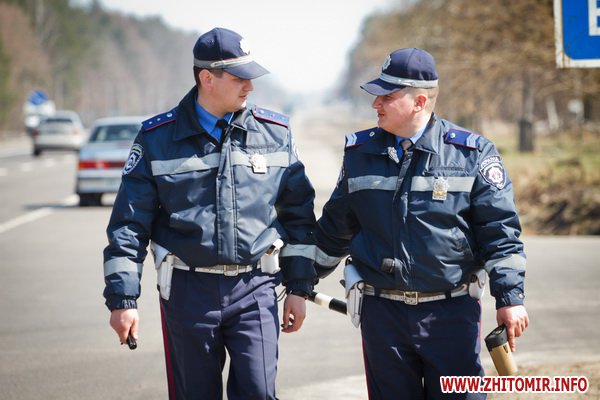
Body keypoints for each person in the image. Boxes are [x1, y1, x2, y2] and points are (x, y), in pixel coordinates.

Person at [102, 27, 317, 400]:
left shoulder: (275, 134)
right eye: (239, 78)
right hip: (188, 293)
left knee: (259, 392)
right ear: (207, 78)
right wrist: (123, 300)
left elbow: (299, 217)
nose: (250, 86)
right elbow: (129, 225)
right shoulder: (157, 139)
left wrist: (299, 288)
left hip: (255, 287)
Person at [313, 48, 529, 399]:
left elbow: (500, 234)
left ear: (419, 101)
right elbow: (334, 231)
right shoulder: (360, 154)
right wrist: (297, 280)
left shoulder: (472, 155)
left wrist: (510, 298)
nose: (375, 104)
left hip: (450, 316)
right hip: (383, 318)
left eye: (387, 96)